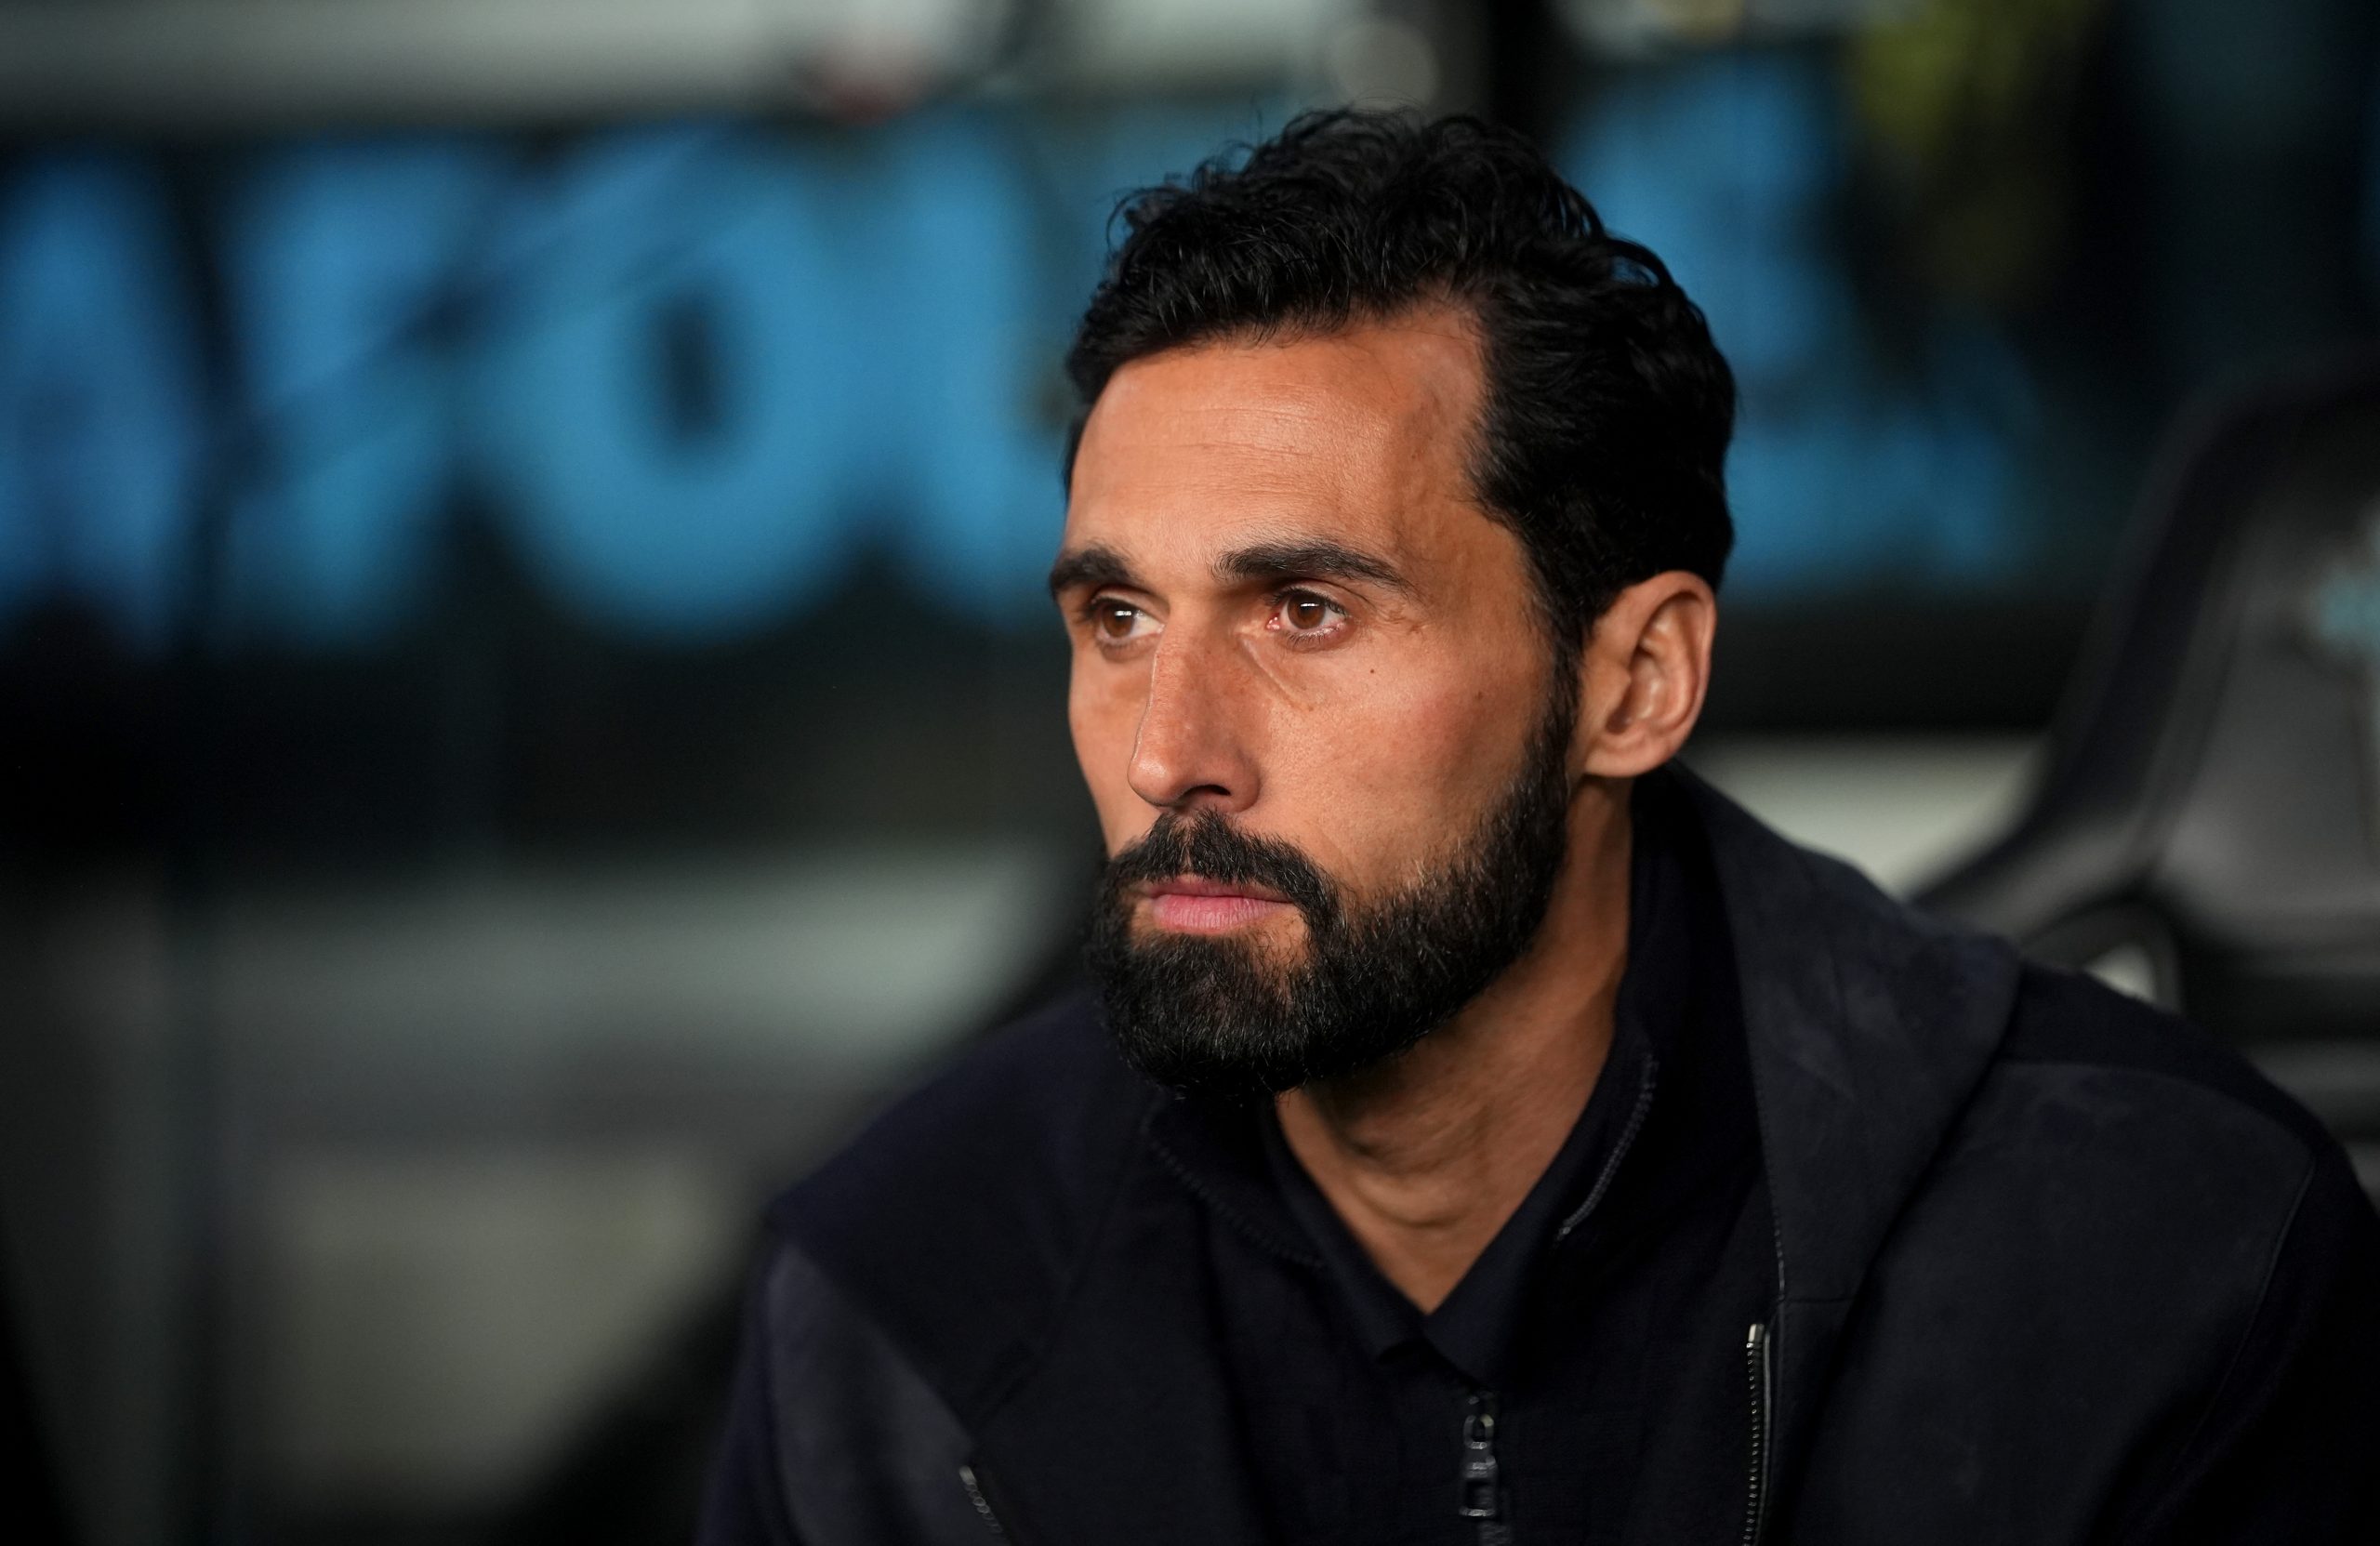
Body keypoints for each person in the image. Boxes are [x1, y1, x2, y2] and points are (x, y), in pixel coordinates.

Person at [697, 112, 2380, 1544]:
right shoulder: (899, 1305)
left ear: (1634, 684)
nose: (1166, 756)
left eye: (1305, 614)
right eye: (1119, 619)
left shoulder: (2165, 1257)